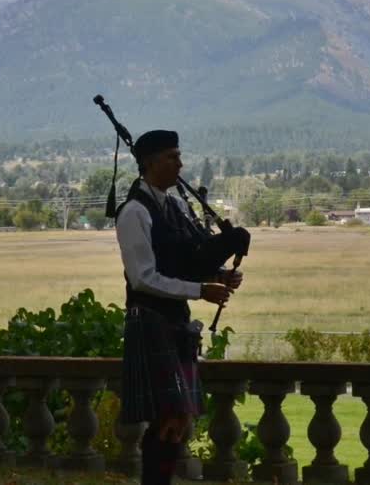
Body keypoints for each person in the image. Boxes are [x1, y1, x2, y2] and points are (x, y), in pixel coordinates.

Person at [115, 129, 243, 485]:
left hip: (175, 322)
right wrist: (200, 291)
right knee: (170, 417)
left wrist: (218, 274)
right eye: (172, 157)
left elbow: (185, 260)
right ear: (151, 163)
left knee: (180, 420)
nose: (180, 164)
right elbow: (143, 278)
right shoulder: (134, 213)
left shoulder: (176, 205)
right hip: (149, 321)